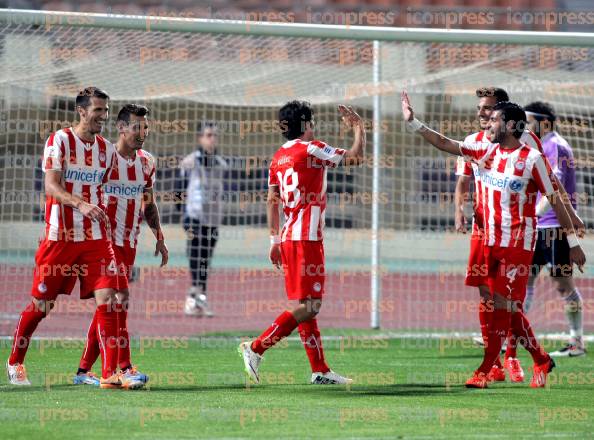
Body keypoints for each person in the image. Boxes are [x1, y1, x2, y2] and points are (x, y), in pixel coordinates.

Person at [402, 90, 586, 388]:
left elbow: (556, 199)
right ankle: (539, 358)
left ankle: (486, 369)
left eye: (496, 120)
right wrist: (414, 123)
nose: (489, 124)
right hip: (488, 241)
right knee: (502, 307)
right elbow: (444, 143)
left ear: (512, 126)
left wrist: (574, 243)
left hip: (518, 244)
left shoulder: (532, 159)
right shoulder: (485, 152)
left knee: (502, 306)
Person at [239, 101, 365, 385]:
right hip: (306, 239)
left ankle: (319, 369)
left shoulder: (278, 158)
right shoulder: (312, 148)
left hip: (287, 237)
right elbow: (356, 158)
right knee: (311, 306)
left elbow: (272, 201)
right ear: (307, 123)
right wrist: (359, 126)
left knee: (304, 305)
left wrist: (273, 240)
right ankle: (256, 347)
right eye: (312, 121)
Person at [6, 87, 123, 388]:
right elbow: (51, 186)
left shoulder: (107, 150)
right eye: (98, 110)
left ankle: (110, 373)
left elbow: (102, 187)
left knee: (109, 299)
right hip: (60, 237)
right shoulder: (59, 140)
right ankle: (15, 361)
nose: (103, 116)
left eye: (105, 110)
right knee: (42, 305)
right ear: (82, 111)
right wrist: (80, 204)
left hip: (95, 238)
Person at [73, 104, 169, 388]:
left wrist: (159, 236)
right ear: (121, 128)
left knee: (108, 307)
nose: (143, 133)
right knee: (118, 303)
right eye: (137, 127)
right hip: (104, 242)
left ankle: (83, 370)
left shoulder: (147, 162)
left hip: (129, 243)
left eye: (146, 127)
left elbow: (148, 203)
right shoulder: (104, 158)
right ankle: (122, 369)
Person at [523, 101, 585, 357]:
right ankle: (509, 336)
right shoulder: (537, 146)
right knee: (523, 279)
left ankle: (576, 342)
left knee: (563, 285)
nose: (524, 127)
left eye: (528, 122)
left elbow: (554, 187)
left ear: (543, 123)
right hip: (538, 226)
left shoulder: (555, 146)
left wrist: (533, 216)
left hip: (554, 226)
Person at [178, 122, 227, 317]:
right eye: (208, 135)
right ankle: (197, 296)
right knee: (195, 254)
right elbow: (178, 189)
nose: (212, 139)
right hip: (194, 217)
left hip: (212, 219)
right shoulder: (190, 162)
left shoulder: (221, 164)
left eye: (214, 135)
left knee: (206, 258)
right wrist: (183, 213)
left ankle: (197, 295)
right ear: (200, 138)